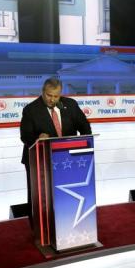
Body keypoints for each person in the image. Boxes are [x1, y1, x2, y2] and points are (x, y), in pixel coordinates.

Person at [20, 78, 92, 211]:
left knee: (67, 197)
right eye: (49, 95)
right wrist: (37, 138)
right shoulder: (31, 110)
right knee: (42, 200)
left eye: (56, 96)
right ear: (42, 92)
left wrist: (84, 144)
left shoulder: (70, 104)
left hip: (68, 159)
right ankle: (40, 230)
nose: (52, 99)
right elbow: (25, 136)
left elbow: (85, 126)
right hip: (40, 162)